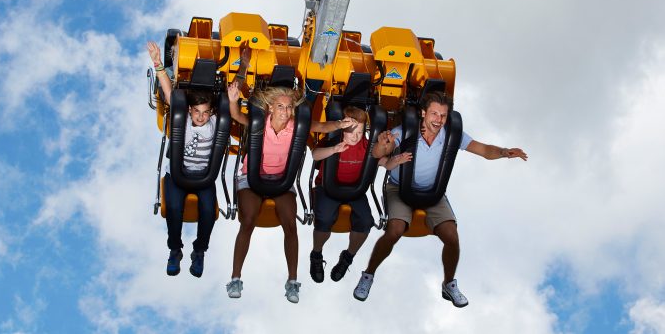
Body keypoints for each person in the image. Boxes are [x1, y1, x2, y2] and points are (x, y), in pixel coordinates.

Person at [353, 91, 528, 307]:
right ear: (424, 113)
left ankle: (448, 284)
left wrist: (503, 152)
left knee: (452, 237)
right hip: (399, 188)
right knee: (394, 230)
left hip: (433, 193)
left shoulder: (452, 134)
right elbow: (379, 153)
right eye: (434, 114)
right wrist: (382, 143)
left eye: (443, 115)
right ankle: (368, 275)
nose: (438, 120)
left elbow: (483, 149)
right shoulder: (406, 130)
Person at [226, 42, 355, 303]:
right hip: (252, 179)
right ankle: (236, 278)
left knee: (290, 225)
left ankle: (292, 281)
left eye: (289, 108)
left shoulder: (295, 126)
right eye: (281, 107)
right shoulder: (259, 122)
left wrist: (340, 123)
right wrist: (232, 99)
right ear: (271, 108)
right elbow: (237, 117)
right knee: (248, 221)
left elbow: (318, 125)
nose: (286, 112)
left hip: (282, 182)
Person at [147, 41, 219, 278]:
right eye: (196, 111)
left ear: (211, 113)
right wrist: (158, 64)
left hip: (203, 177)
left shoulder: (215, 124)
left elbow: (232, 104)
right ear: (189, 111)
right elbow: (169, 93)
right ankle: (175, 250)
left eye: (205, 112)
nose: (200, 117)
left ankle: (199, 251)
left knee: (208, 211)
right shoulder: (184, 120)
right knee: (175, 208)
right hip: (177, 175)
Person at [309, 106, 375, 284]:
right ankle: (316, 254)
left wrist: (391, 160)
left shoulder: (366, 145)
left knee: (366, 221)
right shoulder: (333, 139)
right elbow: (315, 155)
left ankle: (347, 257)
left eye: (360, 132)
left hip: (354, 190)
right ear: (342, 129)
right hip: (328, 189)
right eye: (351, 132)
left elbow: (382, 158)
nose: (355, 136)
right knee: (324, 218)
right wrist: (333, 150)